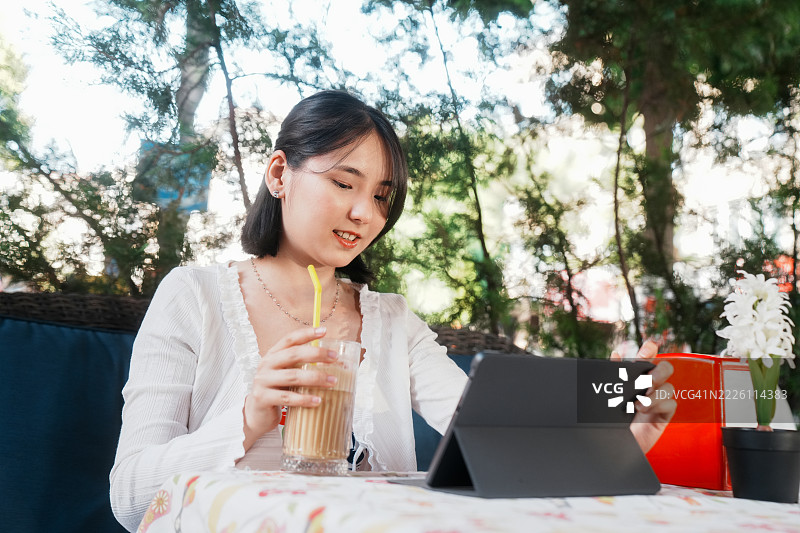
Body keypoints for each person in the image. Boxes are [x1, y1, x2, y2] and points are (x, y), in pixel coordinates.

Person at [109, 90, 676, 531]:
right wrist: (251, 415)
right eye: (342, 182)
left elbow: (482, 428)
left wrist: (612, 444)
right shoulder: (194, 297)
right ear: (279, 174)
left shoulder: (389, 320)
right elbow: (130, 497)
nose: (364, 213)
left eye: (382, 197)